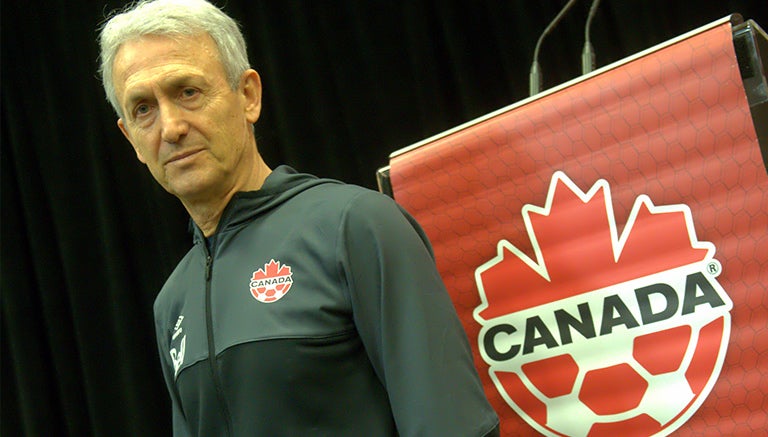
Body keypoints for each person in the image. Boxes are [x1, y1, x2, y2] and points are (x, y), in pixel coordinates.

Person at [98, 0, 500, 435]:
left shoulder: (356, 226)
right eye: (143, 108)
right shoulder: (171, 302)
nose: (171, 127)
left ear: (248, 95)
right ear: (132, 139)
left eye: (188, 92)